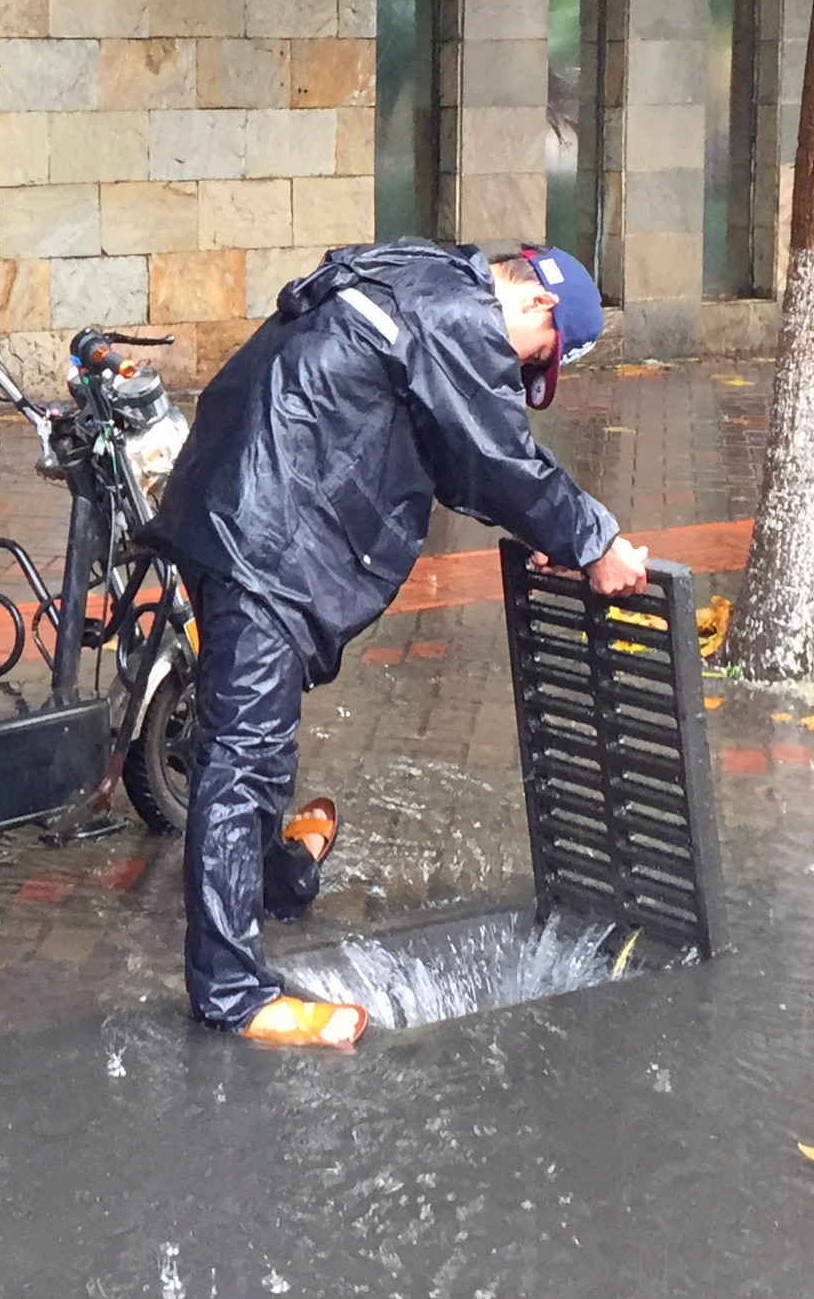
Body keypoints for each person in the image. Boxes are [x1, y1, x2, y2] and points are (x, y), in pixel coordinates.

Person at [145, 238, 651, 1048]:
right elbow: (497, 456)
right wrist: (595, 541)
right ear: (538, 307)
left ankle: (278, 878)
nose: (522, 382)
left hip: (232, 501)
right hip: (263, 536)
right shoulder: (461, 319)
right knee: (241, 758)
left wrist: (549, 530)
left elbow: (454, 454)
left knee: (254, 731)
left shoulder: (425, 279)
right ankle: (232, 993)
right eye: (538, 364)